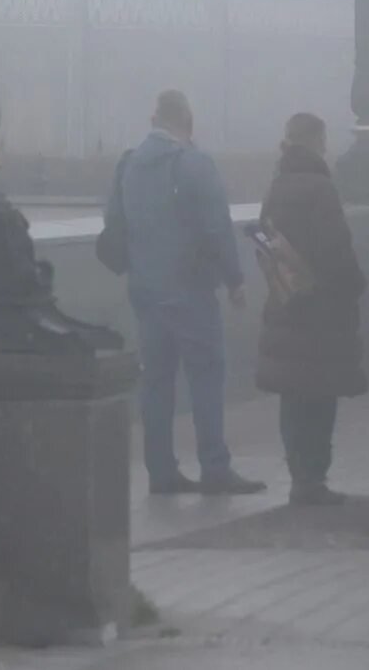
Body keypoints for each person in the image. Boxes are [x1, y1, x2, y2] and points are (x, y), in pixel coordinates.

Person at [104, 88, 265, 496]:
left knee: (156, 382)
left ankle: (161, 471)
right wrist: (235, 279)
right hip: (190, 291)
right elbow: (216, 228)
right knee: (206, 378)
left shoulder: (128, 164)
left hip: (145, 290)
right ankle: (214, 467)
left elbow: (114, 225)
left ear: (153, 121)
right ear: (188, 124)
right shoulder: (194, 163)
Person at [255, 112, 368, 506]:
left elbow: (266, 242)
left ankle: (299, 474)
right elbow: (336, 249)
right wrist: (356, 284)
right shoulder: (320, 188)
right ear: (317, 142)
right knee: (320, 392)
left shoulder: (277, 185)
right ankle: (314, 478)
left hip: (287, 302)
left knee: (293, 391)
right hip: (322, 311)